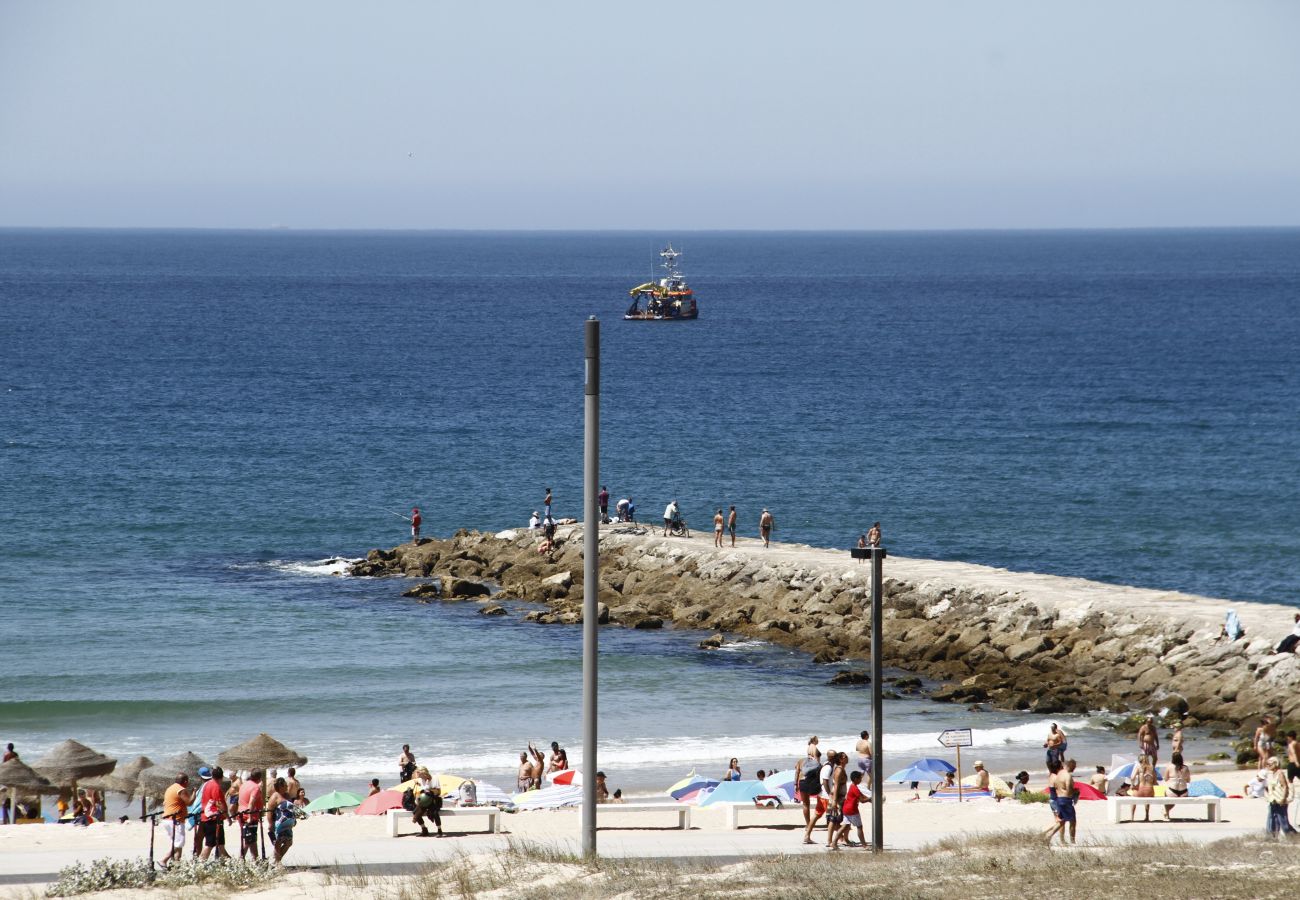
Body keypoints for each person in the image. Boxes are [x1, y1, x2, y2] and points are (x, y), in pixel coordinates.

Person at [160, 773, 191, 868]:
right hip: (175, 820)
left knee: (177, 843)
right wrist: (194, 793)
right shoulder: (181, 789)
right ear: (185, 781)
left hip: (167, 819)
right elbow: (189, 802)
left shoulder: (170, 788)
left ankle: (176, 864)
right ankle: (163, 860)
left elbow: (164, 803)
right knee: (179, 843)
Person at [198, 766, 229, 860]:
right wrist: (228, 817)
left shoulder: (207, 784)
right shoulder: (216, 787)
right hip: (213, 818)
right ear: (222, 777)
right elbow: (219, 804)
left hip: (207, 817)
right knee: (209, 844)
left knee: (220, 844)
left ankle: (230, 863)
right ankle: (199, 864)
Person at [797, 746, 824, 845]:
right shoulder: (818, 764)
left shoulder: (801, 761)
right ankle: (812, 823)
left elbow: (797, 772)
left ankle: (808, 824)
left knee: (805, 804)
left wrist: (796, 784)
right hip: (812, 784)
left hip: (802, 782)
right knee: (819, 801)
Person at [833, 770, 867, 850]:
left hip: (846, 809)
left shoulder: (852, 786)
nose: (861, 780)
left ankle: (834, 843)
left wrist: (869, 798)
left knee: (845, 826)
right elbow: (862, 800)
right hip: (852, 810)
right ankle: (864, 845)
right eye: (860, 778)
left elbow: (861, 796)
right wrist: (870, 799)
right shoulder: (855, 788)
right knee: (859, 827)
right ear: (855, 779)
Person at [266, 777, 297, 862]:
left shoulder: (287, 795)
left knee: (288, 843)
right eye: (285, 785)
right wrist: (270, 824)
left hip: (288, 824)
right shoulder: (275, 796)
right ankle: (277, 862)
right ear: (281, 786)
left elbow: (291, 808)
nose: (287, 786)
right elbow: (269, 812)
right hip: (279, 823)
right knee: (278, 843)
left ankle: (277, 861)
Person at [237, 770, 264, 860]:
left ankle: (256, 859)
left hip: (241, 814)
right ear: (260, 778)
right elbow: (251, 803)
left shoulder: (244, 784)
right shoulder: (255, 787)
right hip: (249, 815)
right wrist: (250, 817)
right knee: (248, 840)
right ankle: (240, 859)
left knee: (251, 838)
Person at [1266, 757, 1296, 837]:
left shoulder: (1280, 773)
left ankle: (1293, 835)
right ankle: (1273, 836)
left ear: (1276, 764)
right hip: (1273, 799)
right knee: (1273, 819)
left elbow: (1285, 786)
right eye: (1267, 764)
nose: (1267, 765)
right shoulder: (1273, 774)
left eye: (1269, 764)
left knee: (1283, 821)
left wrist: (1283, 798)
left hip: (1280, 800)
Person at [1163, 752, 1191, 821]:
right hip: (1184, 792)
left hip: (1172, 792)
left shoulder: (1169, 767)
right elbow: (1188, 781)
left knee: (1166, 794)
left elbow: (1165, 779)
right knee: (1174, 799)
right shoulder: (1186, 768)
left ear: (1172, 759)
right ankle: (1166, 812)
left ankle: (1167, 812)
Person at [1130, 756, 1156, 822]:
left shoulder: (1138, 767)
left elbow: (1132, 777)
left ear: (1139, 761)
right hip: (1149, 791)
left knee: (1133, 798)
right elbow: (1155, 781)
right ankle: (1147, 816)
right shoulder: (1152, 767)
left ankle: (1132, 817)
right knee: (1147, 798)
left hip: (1140, 791)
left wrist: (1132, 785)